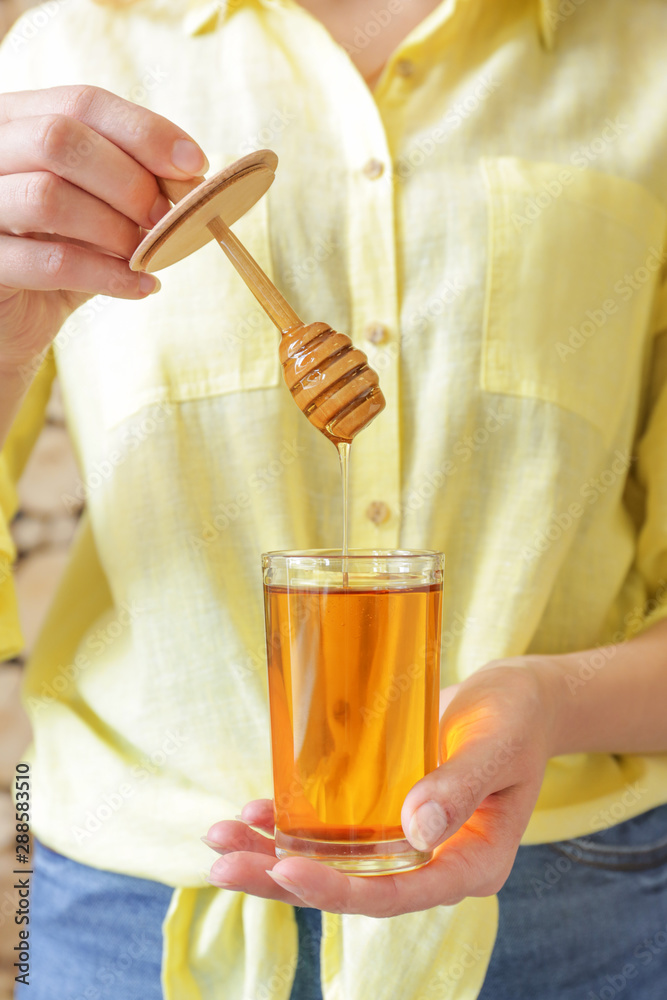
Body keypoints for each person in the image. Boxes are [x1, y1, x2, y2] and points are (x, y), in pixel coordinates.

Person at [1, 0, 667, 997]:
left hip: (566, 907)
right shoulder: (66, 52)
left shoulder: (643, 50)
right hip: (127, 913)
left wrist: (545, 701)